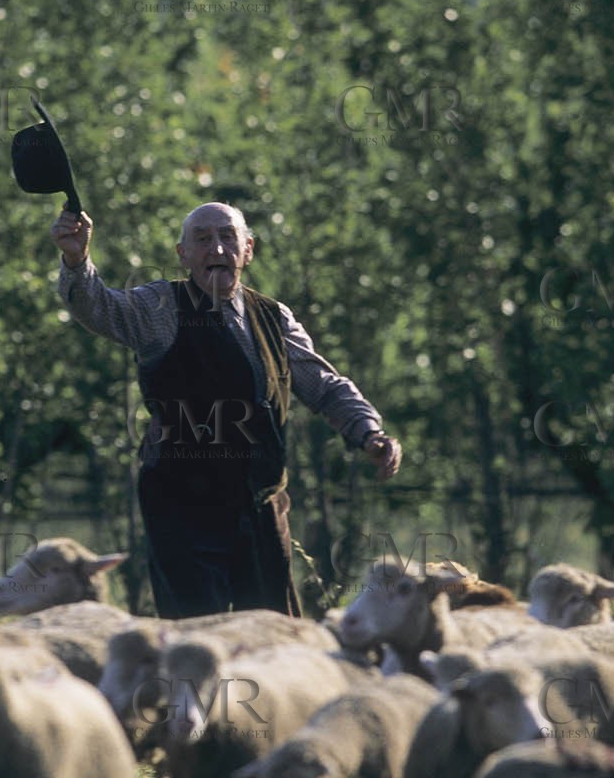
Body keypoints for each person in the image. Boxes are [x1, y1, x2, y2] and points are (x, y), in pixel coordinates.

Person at [52, 199, 401, 618]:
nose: (216, 249)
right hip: (183, 512)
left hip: (261, 506)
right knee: (197, 638)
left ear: (248, 250)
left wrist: (368, 432)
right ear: (183, 255)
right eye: (201, 240)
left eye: (226, 237)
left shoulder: (273, 316)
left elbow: (323, 384)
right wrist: (76, 259)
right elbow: (100, 308)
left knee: (275, 636)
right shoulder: (161, 307)